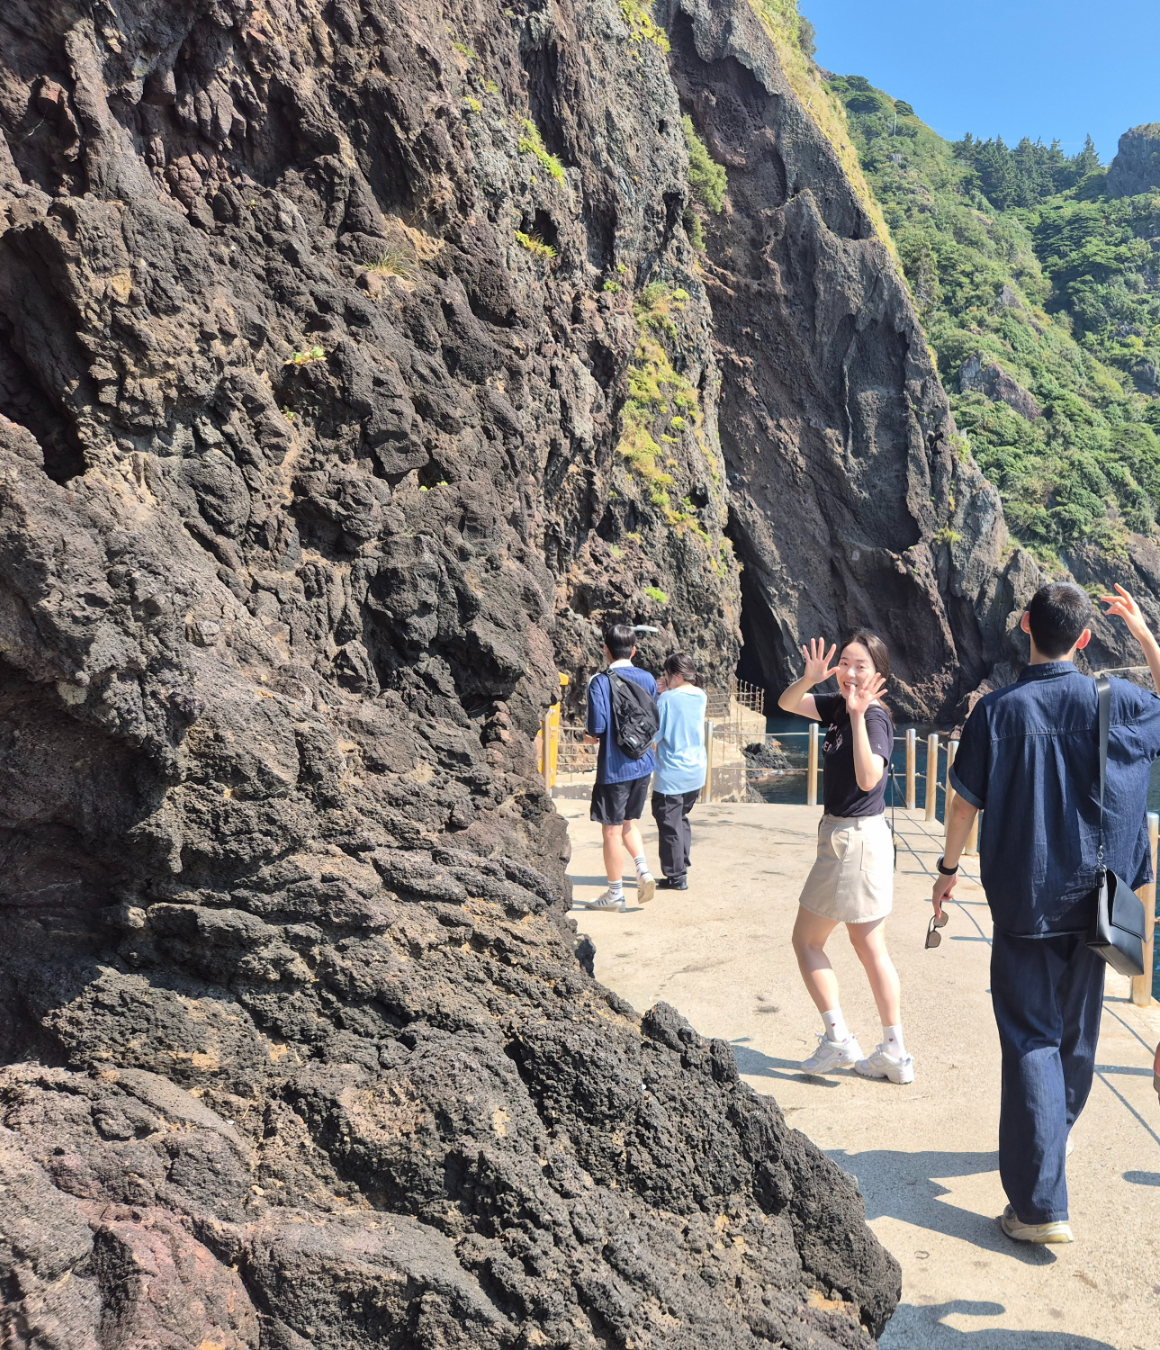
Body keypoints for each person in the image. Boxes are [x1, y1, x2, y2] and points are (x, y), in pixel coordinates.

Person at [936, 581, 1160, 1244]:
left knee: (1032, 1038)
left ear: (1025, 627)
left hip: (1025, 896)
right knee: (1076, 1042)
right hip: (1098, 900)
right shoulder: (1117, 702)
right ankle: (1043, 1164)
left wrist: (947, 873)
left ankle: (1038, 1206)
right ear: (1086, 639)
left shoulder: (996, 712)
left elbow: (961, 807)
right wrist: (1147, 638)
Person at [778, 632, 912, 1084]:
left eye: (862, 666)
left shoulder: (872, 718)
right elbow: (789, 704)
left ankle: (838, 1040)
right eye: (846, 664)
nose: (851, 673)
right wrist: (810, 678)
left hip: (850, 843)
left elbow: (869, 777)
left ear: (880, 674)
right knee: (870, 947)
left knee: (806, 942)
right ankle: (894, 1051)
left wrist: (857, 716)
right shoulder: (837, 703)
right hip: (854, 839)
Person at [582, 624, 658, 911]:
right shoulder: (648, 678)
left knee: (611, 831)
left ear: (606, 649)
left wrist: (588, 736)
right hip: (643, 762)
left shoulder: (600, 681)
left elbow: (597, 727)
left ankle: (615, 894)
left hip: (615, 768)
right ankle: (643, 870)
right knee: (629, 824)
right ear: (634, 650)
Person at [651, 652, 708, 890]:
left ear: (674, 675)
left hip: (672, 772)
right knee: (680, 817)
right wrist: (667, 692)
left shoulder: (667, 700)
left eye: (666, 674)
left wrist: (659, 696)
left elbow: (656, 734)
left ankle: (676, 876)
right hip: (696, 769)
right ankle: (680, 863)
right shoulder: (701, 695)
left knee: (668, 822)